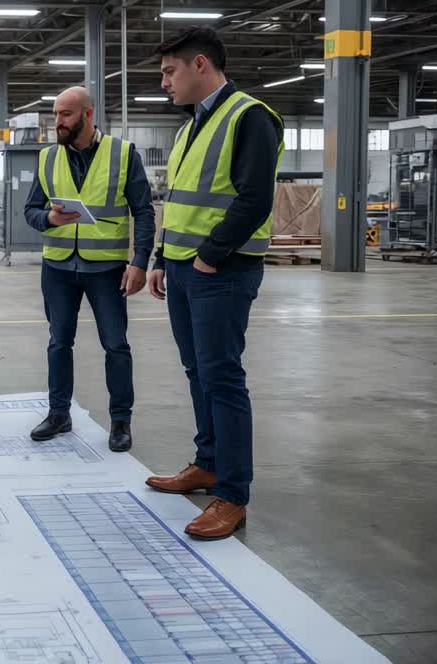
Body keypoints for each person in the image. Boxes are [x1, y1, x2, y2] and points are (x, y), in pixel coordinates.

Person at [144, 26, 283, 541]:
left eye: (169, 71)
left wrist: (209, 255)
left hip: (221, 271)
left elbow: (254, 199)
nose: (164, 83)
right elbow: (178, 200)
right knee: (197, 371)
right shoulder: (190, 127)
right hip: (182, 268)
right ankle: (206, 465)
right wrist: (162, 256)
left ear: (200, 65)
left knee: (222, 377)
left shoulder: (249, 117)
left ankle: (232, 494)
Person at [24, 86, 155, 452]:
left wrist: (140, 261)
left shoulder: (122, 154)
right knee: (58, 342)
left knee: (116, 345)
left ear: (87, 115)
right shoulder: (48, 158)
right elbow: (31, 210)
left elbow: (143, 211)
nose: (58, 122)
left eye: (65, 115)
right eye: (55, 115)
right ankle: (58, 414)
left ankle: (120, 422)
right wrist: (48, 218)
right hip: (58, 267)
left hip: (107, 269)